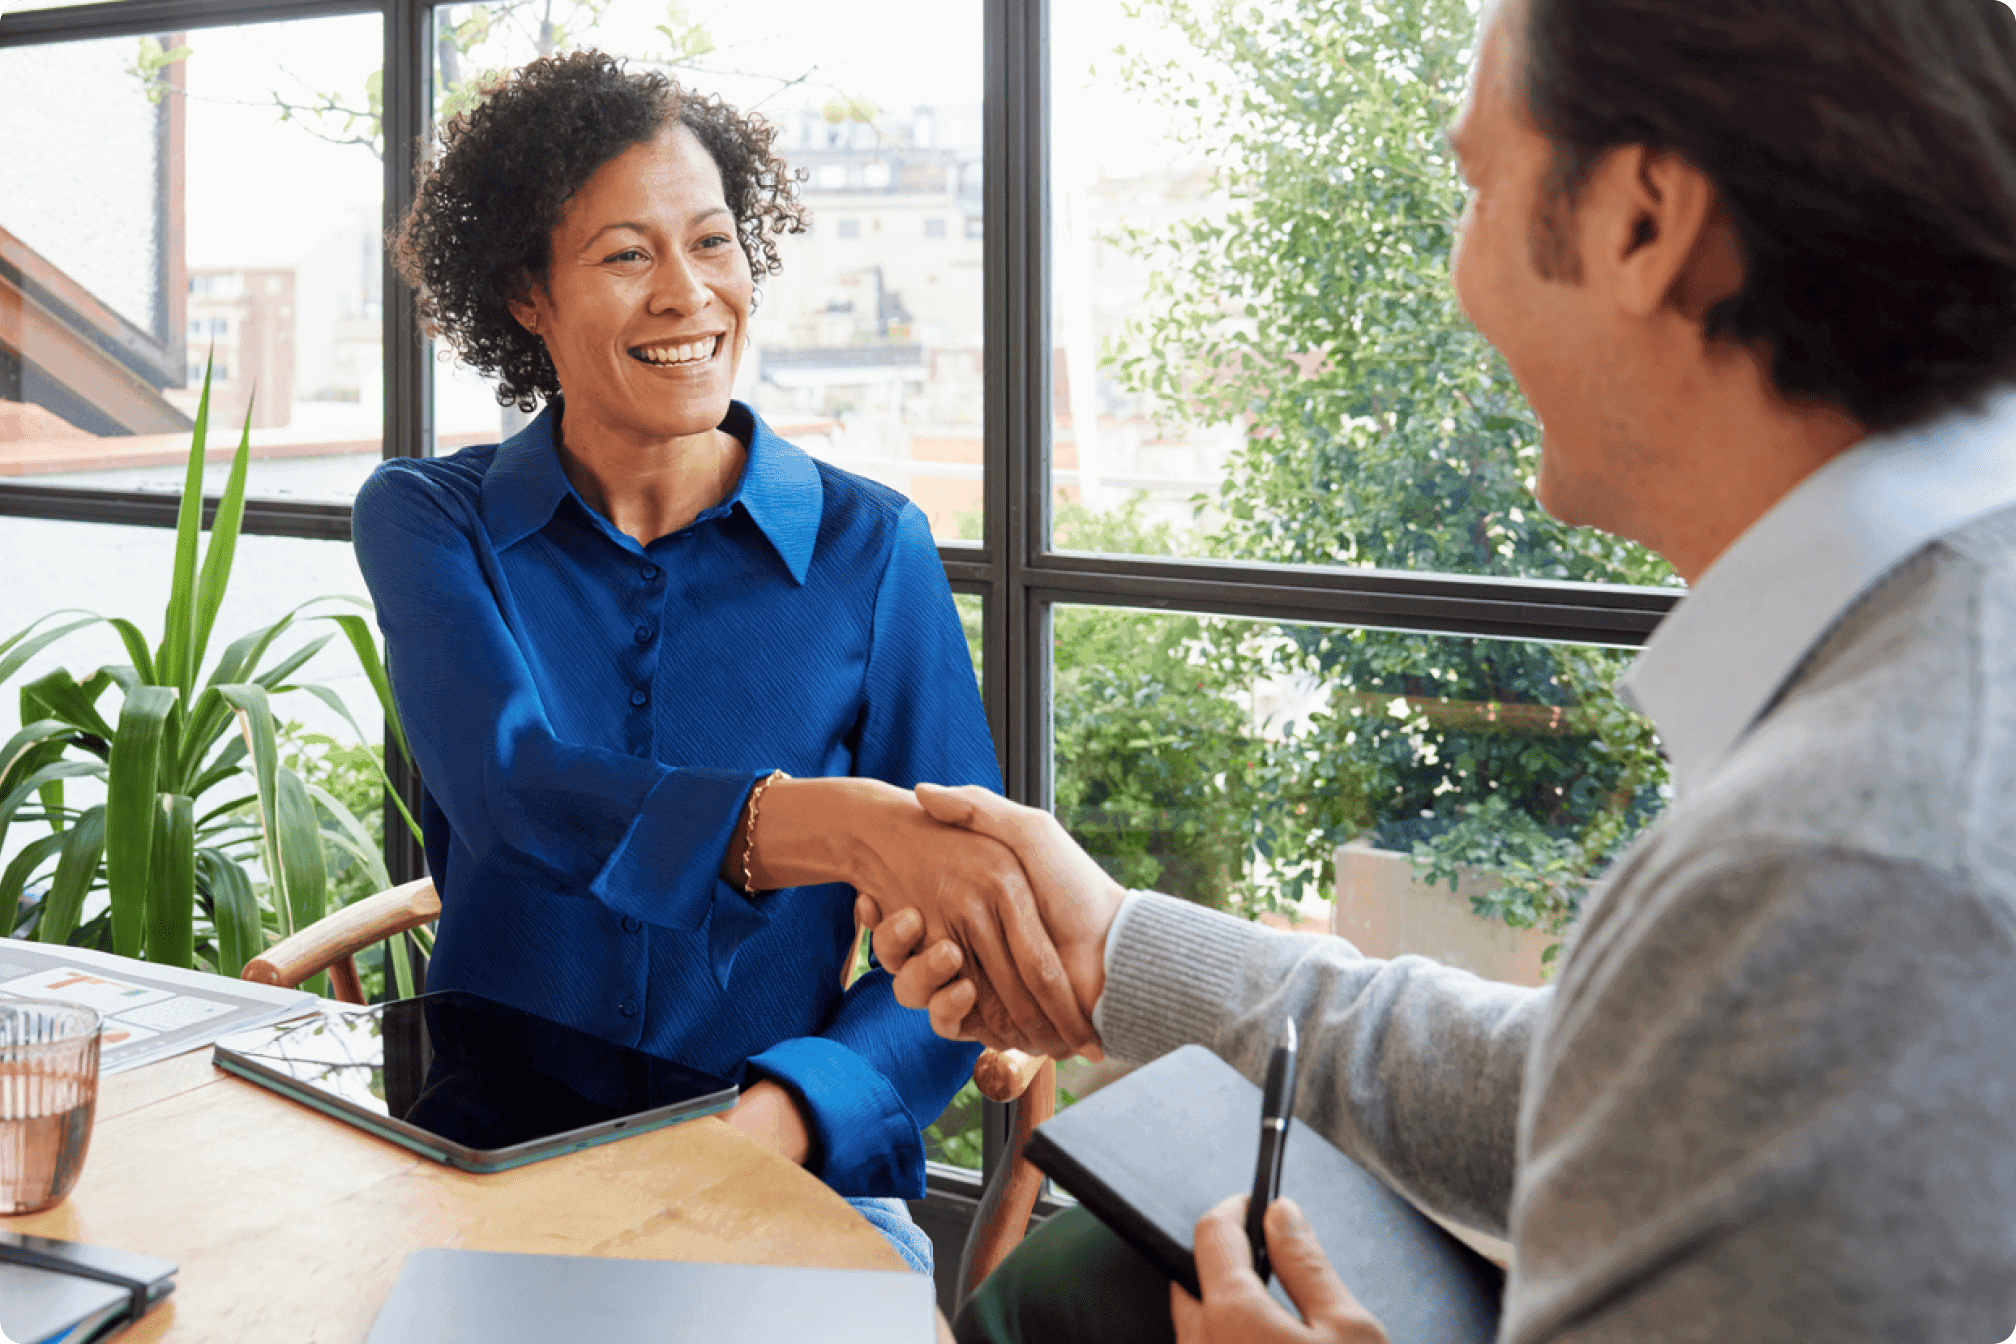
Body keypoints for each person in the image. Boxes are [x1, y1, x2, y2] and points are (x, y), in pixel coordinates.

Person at [863, 0, 2016, 1336]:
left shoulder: (1853, 867)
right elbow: (1591, 1086)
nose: (1459, 278)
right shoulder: (1912, 712)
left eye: (1475, 186)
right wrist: (1116, 949)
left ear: (1644, 221)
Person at [351, 50, 1092, 1276]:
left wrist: (785, 1117)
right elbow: (513, 790)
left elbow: (949, 953)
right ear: (525, 295)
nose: (688, 294)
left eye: (714, 243)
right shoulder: (432, 521)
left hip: (779, 1168)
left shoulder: (873, 549)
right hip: (484, 1154)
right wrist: (834, 825)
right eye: (625, 255)